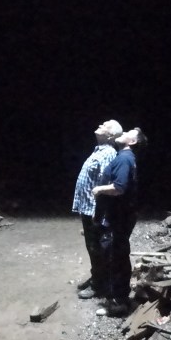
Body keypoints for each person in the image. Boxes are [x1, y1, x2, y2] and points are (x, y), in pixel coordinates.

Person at [92, 126, 147, 317]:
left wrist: (99, 189)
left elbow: (119, 187)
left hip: (120, 217)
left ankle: (118, 303)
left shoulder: (124, 158)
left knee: (116, 257)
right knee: (119, 255)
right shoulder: (126, 157)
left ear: (133, 142)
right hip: (122, 216)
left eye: (127, 133)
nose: (123, 133)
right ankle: (119, 298)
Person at [72, 119, 124, 300]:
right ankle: (97, 276)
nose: (101, 125)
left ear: (110, 136)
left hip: (95, 210)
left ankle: (99, 285)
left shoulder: (108, 153)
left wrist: (99, 212)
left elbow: (107, 183)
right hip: (88, 208)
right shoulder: (99, 150)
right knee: (92, 247)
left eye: (105, 125)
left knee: (97, 248)